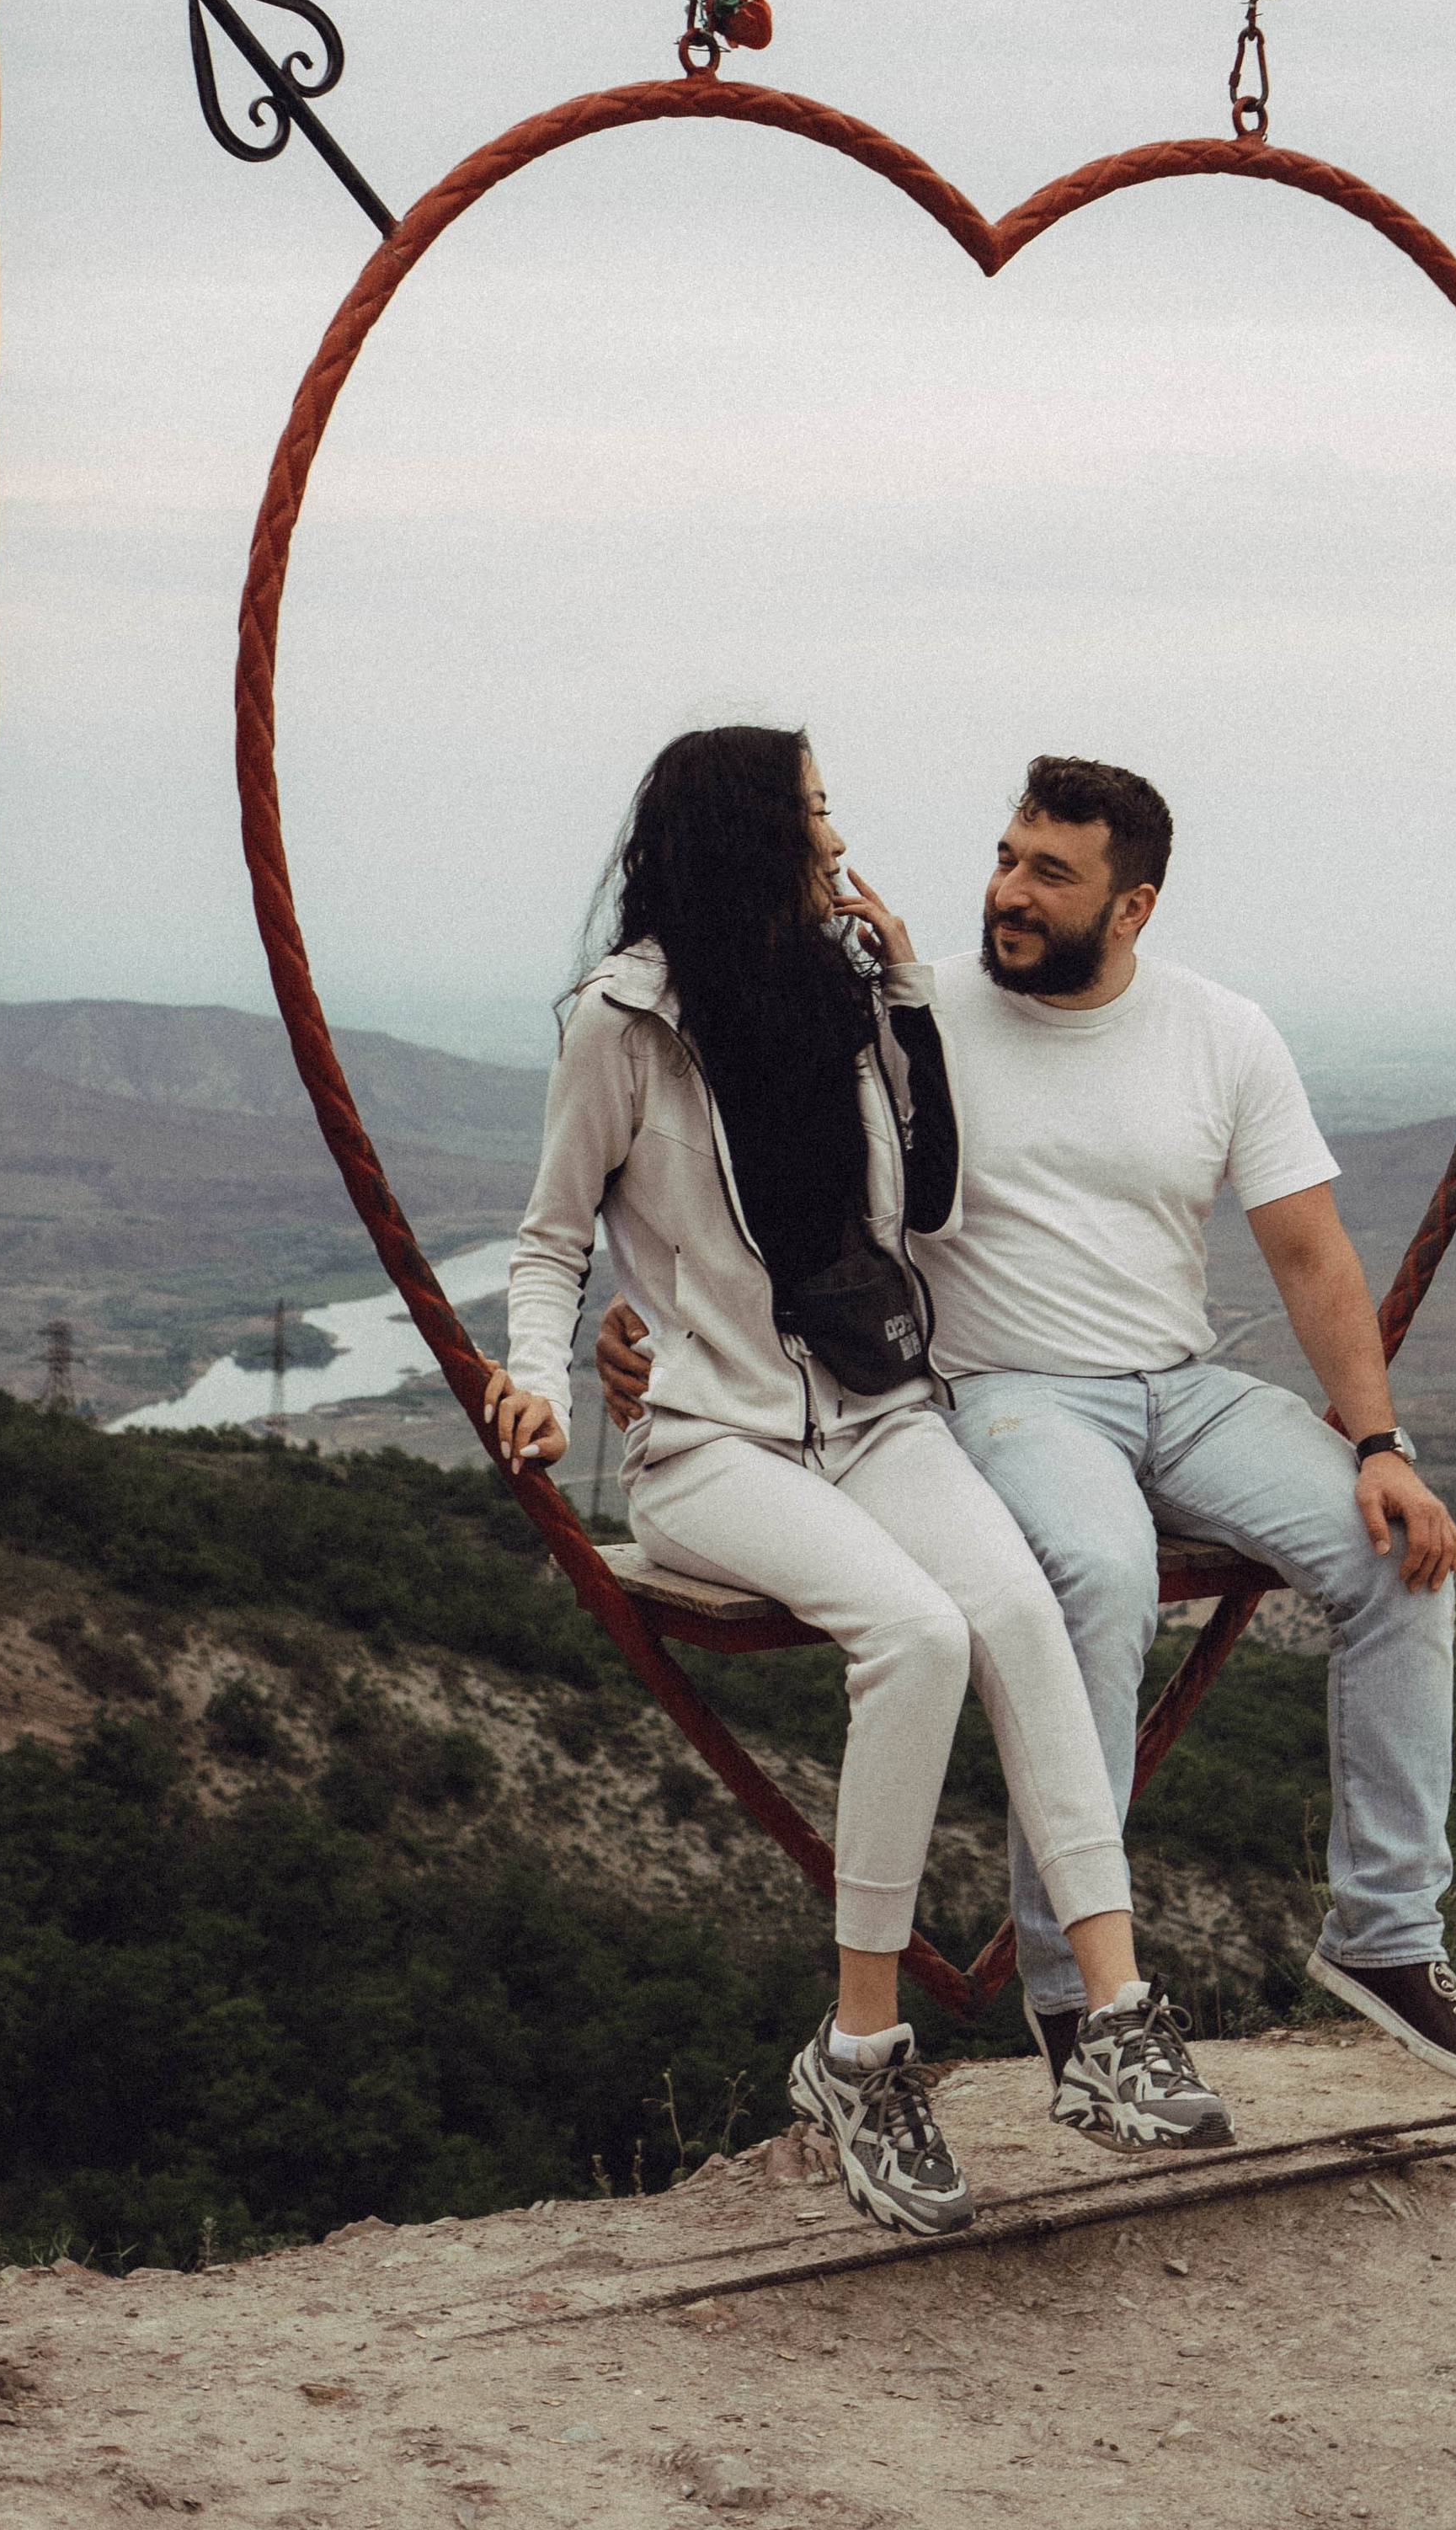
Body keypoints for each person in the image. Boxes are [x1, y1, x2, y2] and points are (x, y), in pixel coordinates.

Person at [598, 753, 1456, 2112]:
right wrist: (658, 1330)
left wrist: (1381, 1445)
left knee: (1398, 1556)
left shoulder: (1222, 1034)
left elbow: (1312, 1253)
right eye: (1008, 857)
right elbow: (750, 1178)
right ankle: (1077, 1997)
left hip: (1180, 1385)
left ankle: (1386, 1936)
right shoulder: (914, 1010)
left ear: (1132, 907)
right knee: (1097, 1578)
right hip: (1005, 1390)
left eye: (1050, 875)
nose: (1008, 894)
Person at [484, 727, 1234, 2242]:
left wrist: (901, 999)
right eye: (815, 812)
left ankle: (1111, 2023)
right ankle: (865, 2058)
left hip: (879, 1413)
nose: (838, 838)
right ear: (748, 833)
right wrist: (537, 1377)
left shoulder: (837, 995)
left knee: (1018, 1614)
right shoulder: (621, 1025)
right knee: (919, 1637)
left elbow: (926, 1205)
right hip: (712, 1446)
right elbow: (553, 1238)